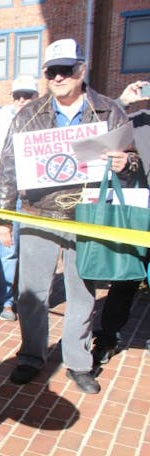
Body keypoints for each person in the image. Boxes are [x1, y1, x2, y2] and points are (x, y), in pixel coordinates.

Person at [0, 38, 139, 394]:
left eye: (65, 70)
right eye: (51, 71)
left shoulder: (108, 111)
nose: (58, 77)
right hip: (38, 214)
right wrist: (1, 217)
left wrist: (126, 163)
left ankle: (78, 362)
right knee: (31, 293)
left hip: (86, 215)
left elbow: (132, 161)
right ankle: (30, 356)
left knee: (83, 292)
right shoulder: (28, 114)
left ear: (80, 70)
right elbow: (8, 167)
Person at [92, 78, 150, 363]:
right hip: (139, 213)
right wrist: (123, 101)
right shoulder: (135, 121)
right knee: (126, 279)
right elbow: (97, 130)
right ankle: (107, 337)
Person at [0, 75, 39, 321]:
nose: (22, 100)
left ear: (37, 96)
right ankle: (6, 302)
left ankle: (30, 299)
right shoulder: (1, 123)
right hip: (9, 198)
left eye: (27, 95)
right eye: (17, 96)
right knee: (8, 251)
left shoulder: (46, 119)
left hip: (37, 199)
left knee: (34, 250)